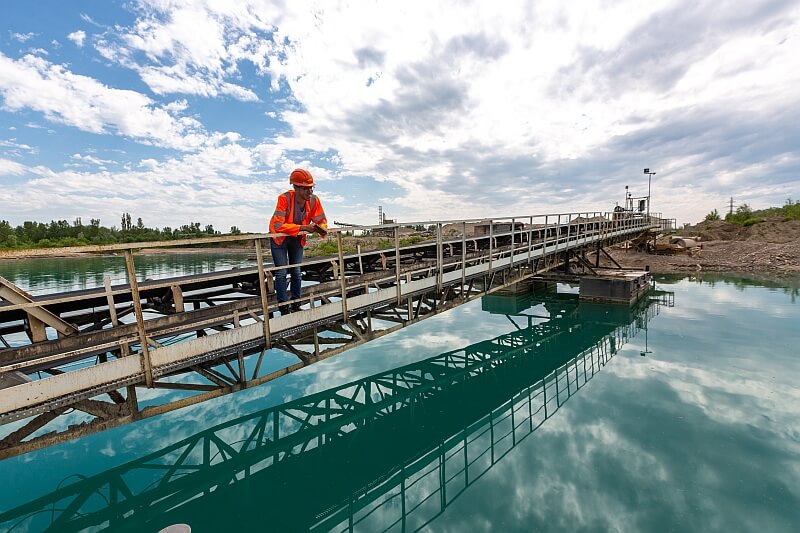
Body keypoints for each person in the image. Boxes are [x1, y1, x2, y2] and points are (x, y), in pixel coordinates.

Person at [269, 168, 328, 315]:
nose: (310, 192)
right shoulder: (284, 199)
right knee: (281, 272)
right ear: (295, 188)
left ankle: (296, 304)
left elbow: (322, 220)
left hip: (297, 238)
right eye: (306, 189)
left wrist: (321, 228)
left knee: (296, 271)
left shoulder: (314, 200)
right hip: (280, 238)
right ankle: (283, 307)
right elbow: (278, 225)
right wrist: (303, 227)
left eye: (311, 188)